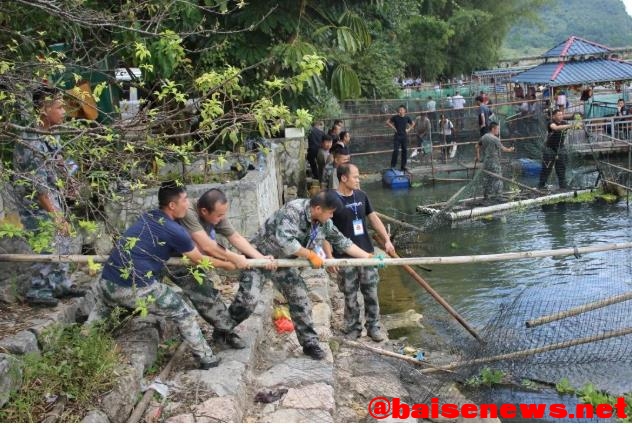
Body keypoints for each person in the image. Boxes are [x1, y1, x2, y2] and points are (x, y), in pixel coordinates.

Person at [87, 182, 227, 370]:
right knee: (183, 311)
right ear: (172, 206)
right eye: (185, 200)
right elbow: (200, 260)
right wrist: (232, 263)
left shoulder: (148, 216)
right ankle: (206, 357)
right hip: (135, 286)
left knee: (102, 310)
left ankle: (79, 343)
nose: (188, 204)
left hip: (107, 281)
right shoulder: (175, 231)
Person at [224, 190, 374, 360]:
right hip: (260, 257)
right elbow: (286, 242)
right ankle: (223, 330)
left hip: (284, 263)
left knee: (300, 298)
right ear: (318, 208)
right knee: (247, 301)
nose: (332, 216)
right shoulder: (293, 211)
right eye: (330, 212)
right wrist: (310, 255)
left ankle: (310, 343)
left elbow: (342, 241)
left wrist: (367, 256)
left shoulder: (323, 222)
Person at [174, 188, 277, 349]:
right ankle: (225, 332)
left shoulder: (216, 214)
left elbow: (234, 236)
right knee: (206, 296)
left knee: (211, 295)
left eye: (224, 214)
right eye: (219, 215)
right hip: (175, 260)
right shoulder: (189, 213)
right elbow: (207, 245)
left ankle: (223, 332)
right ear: (204, 211)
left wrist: (260, 257)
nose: (222, 219)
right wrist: (233, 258)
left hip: (196, 258)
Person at [12, 86, 85, 306]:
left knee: (62, 240)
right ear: (43, 109)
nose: (64, 111)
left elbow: (60, 162)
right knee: (46, 242)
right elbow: (37, 186)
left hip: (53, 195)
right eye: (59, 107)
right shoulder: (31, 141)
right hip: (37, 203)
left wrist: (70, 182)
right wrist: (55, 214)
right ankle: (39, 290)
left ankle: (59, 283)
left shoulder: (52, 134)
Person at [329, 163, 394, 342]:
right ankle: (353, 328)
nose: (358, 180)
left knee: (371, 292)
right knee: (350, 295)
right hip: (344, 257)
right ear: (343, 178)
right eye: (355, 176)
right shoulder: (332, 200)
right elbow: (326, 231)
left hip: (367, 253)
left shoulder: (362, 195)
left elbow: (373, 219)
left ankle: (373, 327)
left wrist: (387, 240)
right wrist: (329, 257)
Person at [538, 109, 575, 190]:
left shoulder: (564, 123)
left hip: (560, 148)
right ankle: (541, 186)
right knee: (547, 168)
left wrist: (577, 125)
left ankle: (563, 186)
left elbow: (574, 127)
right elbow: (555, 128)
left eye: (561, 115)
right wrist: (570, 126)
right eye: (558, 115)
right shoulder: (551, 123)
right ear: (554, 116)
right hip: (549, 149)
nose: (560, 116)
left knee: (561, 168)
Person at [476, 122, 515, 198]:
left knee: (487, 178)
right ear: (493, 129)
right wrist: (511, 149)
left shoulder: (484, 137)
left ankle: (486, 195)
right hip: (494, 162)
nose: (498, 131)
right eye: (497, 129)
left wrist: (478, 157)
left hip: (486, 162)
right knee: (498, 178)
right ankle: (499, 196)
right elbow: (504, 149)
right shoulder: (495, 139)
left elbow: (477, 146)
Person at [386, 105, 414, 171]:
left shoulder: (407, 118)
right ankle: (393, 166)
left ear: (404, 111)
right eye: (399, 110)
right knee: (396, 151)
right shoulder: (395, 117)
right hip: (397, 136)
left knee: (404, 151)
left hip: (404, 136)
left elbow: (413, 123)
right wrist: (393, 128)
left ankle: (403, 166)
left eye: (401, 109)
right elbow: (387, 122)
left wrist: (408, 129)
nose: (400, 111)